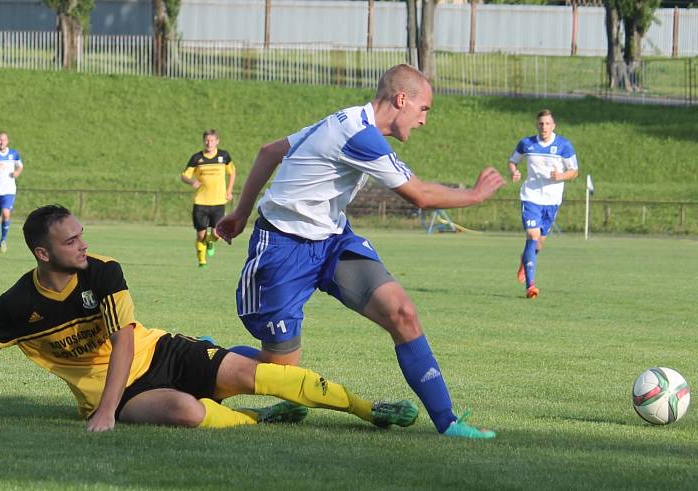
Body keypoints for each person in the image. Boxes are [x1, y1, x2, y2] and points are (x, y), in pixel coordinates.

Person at [0, 205, 418, 432]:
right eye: (71, 242)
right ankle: (255, 418)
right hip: (124, 393)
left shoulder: (104, 273)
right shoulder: (15, 306)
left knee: (259, 373)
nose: (84, 245)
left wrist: (106, 415)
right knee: (185, 413)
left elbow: (126, 343)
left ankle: (369, 409)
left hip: (160, 351)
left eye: (82, 234)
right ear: (43, 255)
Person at [216, 64, 505, 439]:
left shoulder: (349, 119)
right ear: (402, 100)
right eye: (424, 109)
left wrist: (240, 213)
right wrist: (476, 195)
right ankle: (205, 357)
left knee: (402, 312)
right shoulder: (357, 133)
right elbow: (419, 195)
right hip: (283, 247)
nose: (423, 120)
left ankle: (448, 423)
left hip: (333, 241)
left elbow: (270, 150)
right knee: (279, 370)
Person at [508, 109, 578, 299]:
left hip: (552, 200)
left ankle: (526, 260)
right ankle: (531, 286)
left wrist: (561, 176)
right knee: (532, 235)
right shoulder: (527, 143)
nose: (544, 127)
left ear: (553, 126)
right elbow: (513, 161)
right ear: (537, 125)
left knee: (539, 243)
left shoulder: (564, 145)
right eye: (541, 124)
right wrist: (514, 171)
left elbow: (574, 171)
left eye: (548, 124)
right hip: (531, 197)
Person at [181, 129, 236, 267]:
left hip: (218, 202)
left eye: (212, 140)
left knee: (217, 233)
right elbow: (184, 175)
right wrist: (192, 181)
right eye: (206, 140)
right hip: (201, 202)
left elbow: (232, 173)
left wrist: (229, 191)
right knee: (200, 236)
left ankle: (211, 242)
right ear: (203, 141)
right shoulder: (196, 158)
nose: (209, 143)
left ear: (217, 141)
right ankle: (202, 261)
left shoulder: (224, 156)